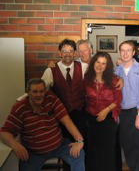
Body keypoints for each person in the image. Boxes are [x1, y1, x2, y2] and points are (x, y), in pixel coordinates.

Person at [18, 39, 88, 171]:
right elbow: (39, 90)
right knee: (64, 150)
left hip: (79, 115)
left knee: (78, 149)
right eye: (64, 51)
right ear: (60, 53)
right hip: (60, 117)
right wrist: (21, 100)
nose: (67, 54)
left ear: (74, 53)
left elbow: (99, 76)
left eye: (70, 51)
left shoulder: (83, 67)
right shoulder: (51, 71)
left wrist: (118, 78)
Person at [0, 78, 85, 171]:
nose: (38, 95)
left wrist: (79, 140)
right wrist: (16, 146)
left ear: (45, 91)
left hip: (59, 146)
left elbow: (66, 120)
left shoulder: (50, 98)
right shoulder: (20, 108)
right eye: (34, 92)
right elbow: (4, 132)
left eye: (41, 91)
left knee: (79, 153)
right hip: (33, 153)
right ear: (27, 92)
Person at [115, 41, 139, 171]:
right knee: (127, 145)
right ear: (120, 52)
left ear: (134, 52)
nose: (125, 53)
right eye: (123, 50)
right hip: (123, 114)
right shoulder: (116, 71)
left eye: (128, 50)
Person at [84, 52, 122, 171]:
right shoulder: (87, 78)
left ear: (107, 66)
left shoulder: (114, 80)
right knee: (93, 152)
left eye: (104, 64)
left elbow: (118, 99)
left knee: (107, 152)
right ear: (93, 62)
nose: (100, 66)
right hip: (91, 120)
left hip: (108, 121)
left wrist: (106, 110)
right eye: (98, 62)